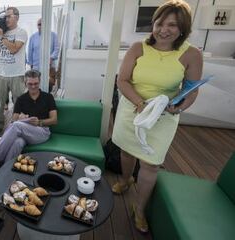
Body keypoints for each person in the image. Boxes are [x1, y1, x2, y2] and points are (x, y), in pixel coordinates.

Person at [110, 0, 202, 233]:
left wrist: (179, 106)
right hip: (133, 108)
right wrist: (140, 103)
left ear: (183, 28)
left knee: (151, 164)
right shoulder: (137, 48)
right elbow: (122, 80)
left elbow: (191, 90)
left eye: (172, 25)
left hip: (162, 117)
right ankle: (125, 179)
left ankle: (139, 210)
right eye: (160, 23)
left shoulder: (192, 54)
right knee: (127, 152)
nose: (164, 29)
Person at [0, 70, 57, 170]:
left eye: (36, 83)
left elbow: (54, 120)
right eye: (30, 84)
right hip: (24, 132)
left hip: (42, 132)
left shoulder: (48, 97)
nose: (33, 86)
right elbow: (14, 119)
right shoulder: (21, 99)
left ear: (39, 82)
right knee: (18, 143)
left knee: (16, 126)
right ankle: (4, 171)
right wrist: (22, 118)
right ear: (25, 83)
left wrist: (40, 122)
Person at [0, 6, 28, 135]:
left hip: (17, 74)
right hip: (2, 74)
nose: (6, 19)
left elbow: (14, 49)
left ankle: (18, 126)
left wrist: (1, 36)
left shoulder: (21, 32)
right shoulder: (2, 33)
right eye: (5, 16)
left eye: (9, 16)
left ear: (16, 17)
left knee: (18, 102)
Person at [27, 18, 60, 91]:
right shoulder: (33, 37)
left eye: (42, 24)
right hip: (36, 67)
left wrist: (51, 58)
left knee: (48, 87)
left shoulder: (53, 35)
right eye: (39, 24)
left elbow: (57, 48)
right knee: (35, 87)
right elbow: (30, 51)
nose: (40, 26)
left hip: (49, 67)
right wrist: (31, 64)